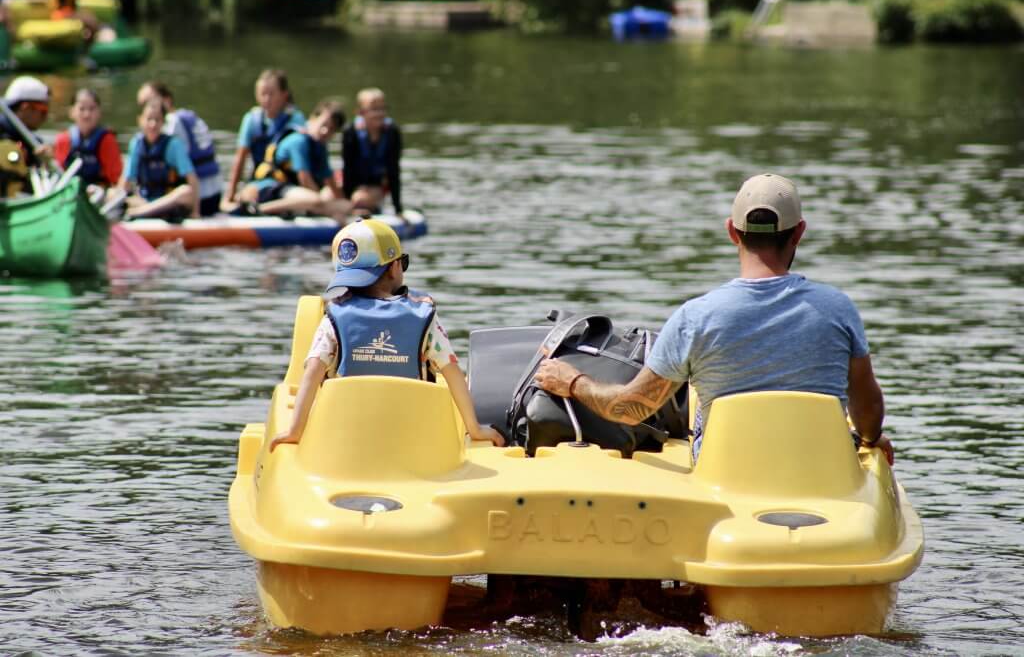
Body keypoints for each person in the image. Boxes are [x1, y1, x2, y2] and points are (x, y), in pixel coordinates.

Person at [534, 173, 893, 465]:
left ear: (732, 232)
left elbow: (630, 409)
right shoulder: (839, 309)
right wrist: (871, 439)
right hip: (820, 470)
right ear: (799, 232)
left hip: (731, 471)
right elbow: (868, 409)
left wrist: (573, 381)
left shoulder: (696, 317)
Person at [270, 219, 505, 451]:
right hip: (412, 439)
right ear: (394, 267)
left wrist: (295, 431)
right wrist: (474, 428)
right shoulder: (422, 315)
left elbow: (312, 372)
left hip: (346, 440)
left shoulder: (334, 316)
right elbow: (452, 371)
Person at [233, 99, 347, 221]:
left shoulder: (320, 146)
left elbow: (331, 183)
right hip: (268, 188)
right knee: (315, 200)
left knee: (344, 205)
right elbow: (305, 180)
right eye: (324, 125)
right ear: (313, 118)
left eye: (331, 129)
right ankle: (258, 209)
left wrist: (347, 207)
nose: (325, 131)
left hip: (289, 191)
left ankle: (304, 208)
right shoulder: (299, 141)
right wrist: (327, 209)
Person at [221, 69, 305, 210]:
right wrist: (230, 195)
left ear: (284, 95)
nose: (266, 99)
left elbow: (303, 161)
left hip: (288, 185)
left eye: (271, 94)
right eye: (262, 94)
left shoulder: (296, 120)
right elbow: (240, 159)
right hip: (260, 183)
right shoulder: (251, 120)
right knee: (249, 193)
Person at [136, 81, 222, 216]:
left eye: (151, 100)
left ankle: (138, 212)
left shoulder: (172, 123)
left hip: (199, 198)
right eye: (142, 104)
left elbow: (184, 170)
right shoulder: (187, 115)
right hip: (215, 194)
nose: (148, 106)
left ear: (167, 100)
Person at [118, 98, 198, 221]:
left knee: (186, 191)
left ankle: (140, 213)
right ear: (140, 120)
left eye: (157, 119)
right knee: (112, 193)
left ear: (163, 122)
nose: (153, 124)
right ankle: (146, 211)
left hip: (168, 202)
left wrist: (195, 213)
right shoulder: (136, 144)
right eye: (149, 119)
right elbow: (126, 180)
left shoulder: (173, 145)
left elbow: (192, 179)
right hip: (143, 201)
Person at [341, 87, 404, 217]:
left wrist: (398, 209)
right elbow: (347, 169)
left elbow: (393, 171)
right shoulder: (350, 132)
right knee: (327, 194)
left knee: (361, 199)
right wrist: (347, 201)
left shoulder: (392, 132)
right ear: (360, 112)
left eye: (382, 108)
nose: (380, 113)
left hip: (376, 184)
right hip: (354, 182)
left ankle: (369, 206)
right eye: (374, 109)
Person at [53, 87, 122, 187]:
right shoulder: (63, 139)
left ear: (99, 112)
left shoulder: (107, 140)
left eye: (92, 109)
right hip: (69, 189)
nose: (87, 114)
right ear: (72, 112)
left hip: (99, 192)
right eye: (82, 109)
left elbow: (115, 180)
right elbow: (58, 172)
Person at [1, 76, 52, 169]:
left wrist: (44, 164)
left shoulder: (35, 144)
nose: (46, 117)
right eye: (43, 111)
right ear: (26, 108)